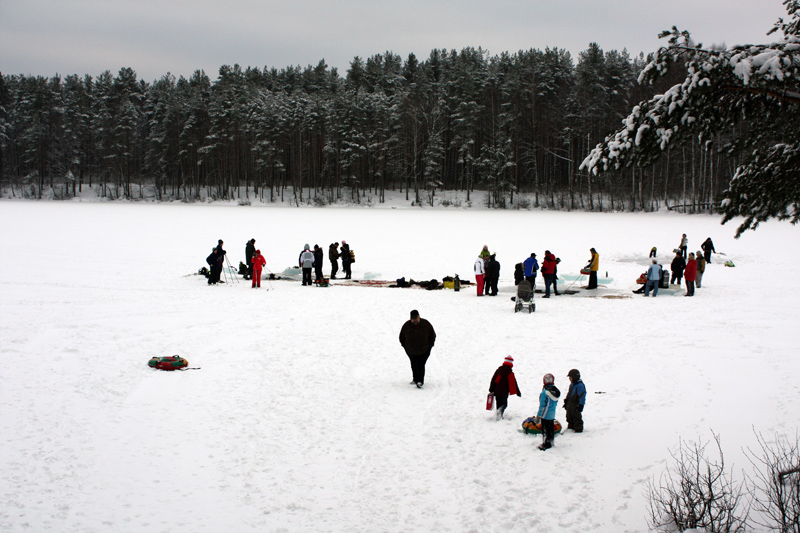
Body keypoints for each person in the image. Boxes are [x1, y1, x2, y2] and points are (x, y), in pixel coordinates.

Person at [399, 310, 436, 388]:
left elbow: (432, 335)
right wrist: (405, 346)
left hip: (424, 350)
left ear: (419, 317)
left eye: (416, 318)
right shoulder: (406, 325)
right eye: (413, 319)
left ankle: (420, 381)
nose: (414, 320)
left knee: (421, 364)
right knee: (413, 364)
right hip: (411, 350)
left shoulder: (426, 324)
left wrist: (430, 346)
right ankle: (415, 379)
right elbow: (401, 337)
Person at [489, 356, 522, 420]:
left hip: (497, 391)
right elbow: (514, 384)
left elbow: (494, 380)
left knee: (498, 404)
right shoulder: (510, 373)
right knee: (504, 404)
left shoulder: (499, 370)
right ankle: (500, 413)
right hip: (504, 392)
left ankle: (499, 416)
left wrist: (491, 389)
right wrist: (518, 392)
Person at [537, 373, 561, 450]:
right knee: (550, 429)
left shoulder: (544, 393)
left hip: (545, 414)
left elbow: (542, 405)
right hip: (552, 414)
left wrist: (539, 415)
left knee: (545, 430)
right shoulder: (556, 392)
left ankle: (546, 444)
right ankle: (551, 441)